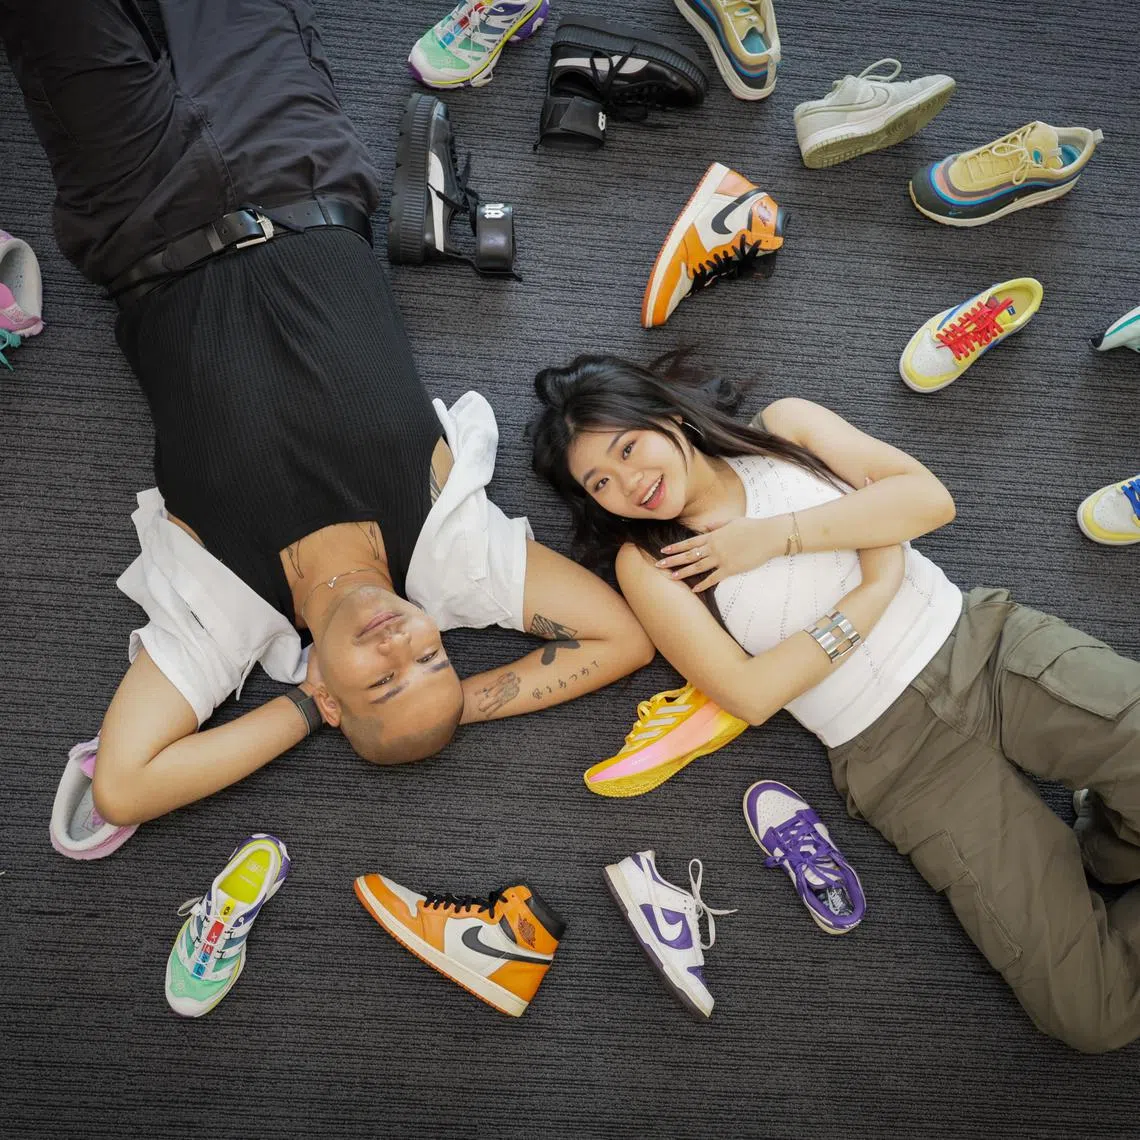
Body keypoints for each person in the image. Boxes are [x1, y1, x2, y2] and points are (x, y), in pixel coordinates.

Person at [2, 0, 654, 833]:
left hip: (136, 214)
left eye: (382, 680)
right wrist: (454, 706)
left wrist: (302, 713)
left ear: (334, 697)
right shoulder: (451, 558)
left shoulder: (231, 614)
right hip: (294, 162)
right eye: (430, 658)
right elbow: (622, 641)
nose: (401, 645)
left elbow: (123, 788)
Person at [529, 348, 1140, 1054]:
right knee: (1091, 1015)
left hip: (985, 648)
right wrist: (871, 590)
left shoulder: (783, 428)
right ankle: (1115, 835)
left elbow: (927, 500)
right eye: (600, 481)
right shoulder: (649, 564)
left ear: (666, 416)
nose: (629, 482)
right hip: (899, 760)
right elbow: (750, 694)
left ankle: (1112, 840)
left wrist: (773, 539)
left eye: (629, 448)